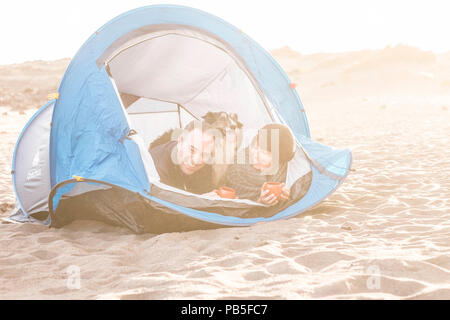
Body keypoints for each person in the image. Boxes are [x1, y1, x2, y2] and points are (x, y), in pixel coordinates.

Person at [225, 123, 296, 206]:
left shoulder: (285, 169)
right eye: (255, 147)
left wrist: (286, 196)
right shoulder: (238, 169)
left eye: (264, 152)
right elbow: (231, 208)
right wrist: (258, 202)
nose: (255, 154)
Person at [149, 120, 216, 194]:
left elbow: (204, 190)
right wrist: (203, 200)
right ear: (180, 141)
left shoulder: (206, 163)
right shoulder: (156, 167)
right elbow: (168, 202)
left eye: (205, 154)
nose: (196, 161)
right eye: (191, 150)